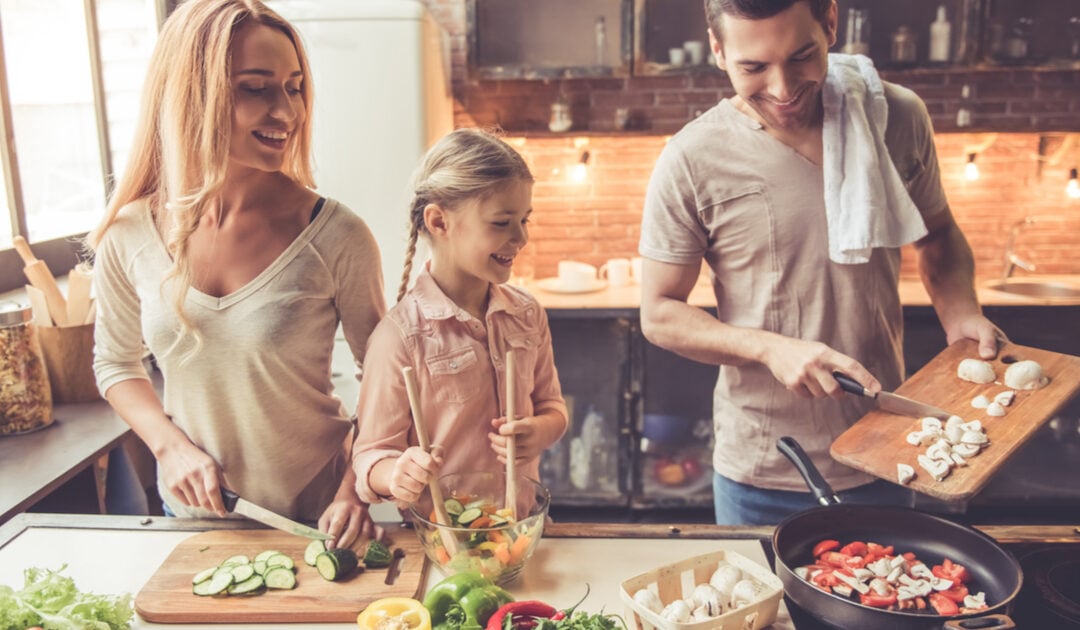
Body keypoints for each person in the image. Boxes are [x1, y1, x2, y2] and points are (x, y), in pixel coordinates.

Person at [638, 0, 1003, 525]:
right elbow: (659, 312)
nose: (784, 89)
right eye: (754, 67)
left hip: (887, 451)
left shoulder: (894, 117)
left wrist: (961, 313)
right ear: (718, 50)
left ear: (831, 22)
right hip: (763, 466)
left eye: (802, 56)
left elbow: (938, 235)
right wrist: (769, 348)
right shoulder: (692, 157)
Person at [88, 0, 385, 547]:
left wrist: (354, 490)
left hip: (321, 517)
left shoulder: (337, 234)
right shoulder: (128, 233)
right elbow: (115, 363)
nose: (288, 112)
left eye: (294, 87)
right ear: (192, 96)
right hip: (195, 517)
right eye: (256, 88)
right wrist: (169, 446)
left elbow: (386, 380)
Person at [351, 128, 567, 509]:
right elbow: (369, 457)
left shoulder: (527, 315)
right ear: (439, 222)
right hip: (445, 542)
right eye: (501, 223)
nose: (521, 237)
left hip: (522, 527)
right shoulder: (399, 338)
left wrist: (541, 431)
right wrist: (396, 472)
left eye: (524, 220)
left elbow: (553, 407)